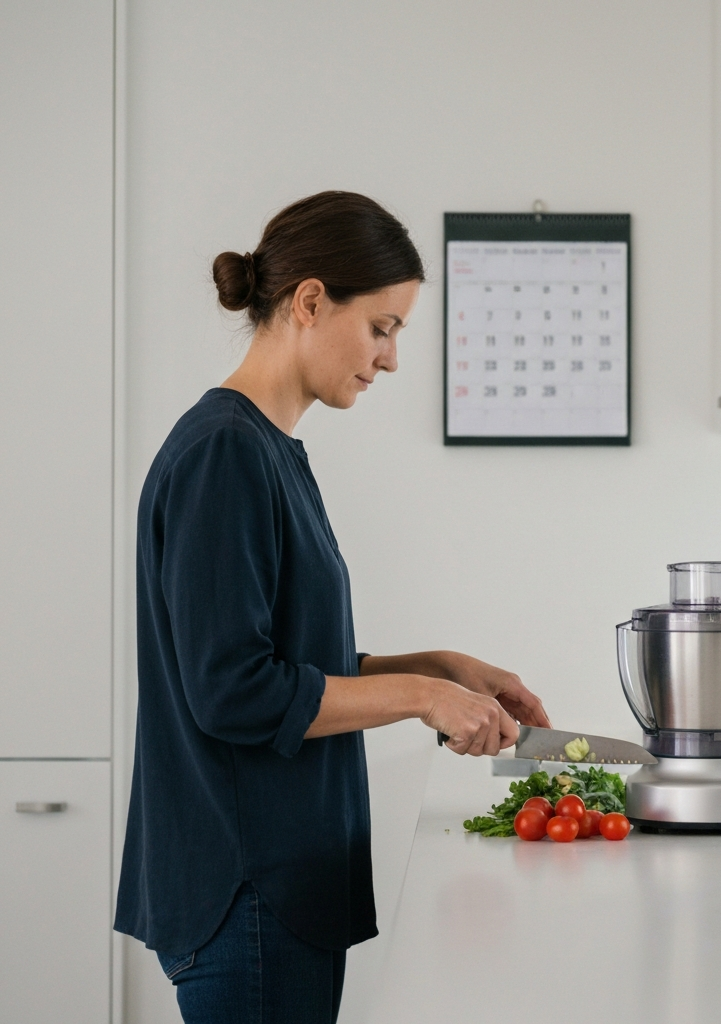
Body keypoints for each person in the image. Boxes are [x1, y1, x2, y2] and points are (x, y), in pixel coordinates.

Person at [114, 191, 551, 1024]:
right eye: (383, 327)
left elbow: (294, 663)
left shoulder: (269, 451)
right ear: (310, 302)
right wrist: (425, 700)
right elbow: (235, 690)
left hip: (277, 887)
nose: (389, 360)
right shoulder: (225, 455)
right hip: (247, 891)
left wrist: (443, 669)